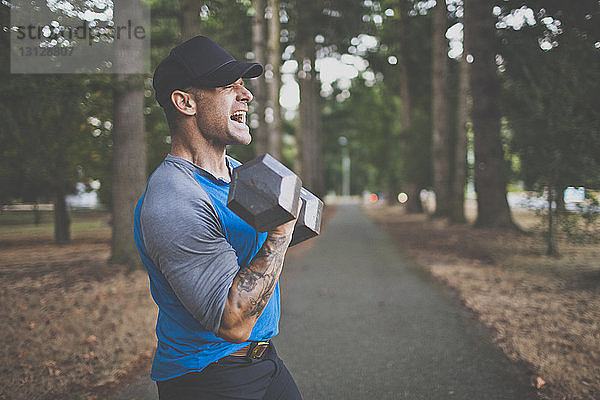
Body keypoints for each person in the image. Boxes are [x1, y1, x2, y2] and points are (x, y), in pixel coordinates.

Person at [133, 35, 302, 400]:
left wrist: (296, 213)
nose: (246, 95)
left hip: (263, 360)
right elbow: (233, 322)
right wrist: (280, 233)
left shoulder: (239, 174)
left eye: (243, 85)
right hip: (208, 377)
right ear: (185, 102)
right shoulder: (173, 200)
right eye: (229, 86)